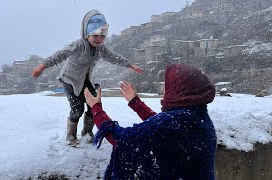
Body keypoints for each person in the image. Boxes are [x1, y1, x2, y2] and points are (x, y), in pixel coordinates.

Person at [84, 63, 217, 179]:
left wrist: (96, 109)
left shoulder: (173, 122)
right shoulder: (197, 117)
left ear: (180, 88)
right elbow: (160, 127)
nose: (165, 89)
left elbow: (123, 140)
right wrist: (135, 102)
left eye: (169, 84)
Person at [31, 9, 143, 146]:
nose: (99, 39)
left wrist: (129, 65)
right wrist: (42, 66)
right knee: (77, 109)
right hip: (69, 80)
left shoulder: (100, 48)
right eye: (95, 35)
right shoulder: (78, 45)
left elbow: (114, 57)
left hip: (84, 80)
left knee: (94, 103)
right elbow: (60, 55)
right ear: (86, 33)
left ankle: (87, 132)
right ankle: (71, 136)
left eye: (102, 36)